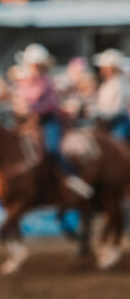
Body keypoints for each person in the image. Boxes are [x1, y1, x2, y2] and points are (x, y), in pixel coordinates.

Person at [12, 43, 94, 198]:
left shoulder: (47, 82)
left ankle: (71, 176)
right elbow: (19, 101)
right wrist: (22, 108)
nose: (34, 68)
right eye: (32, 65)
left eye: (37, 65)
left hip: (49, 120)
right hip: (29, 122)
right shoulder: (24, 82)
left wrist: (31, 109)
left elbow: (50, 105)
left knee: (52, 148)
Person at [92, 48, 130, 141]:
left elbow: (117, 109)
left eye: (104, 67)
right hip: (109, 122)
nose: (101, 69)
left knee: (116, 145)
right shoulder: (109, 82)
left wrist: (96, 112)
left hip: (119, 123)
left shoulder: (120, 83)